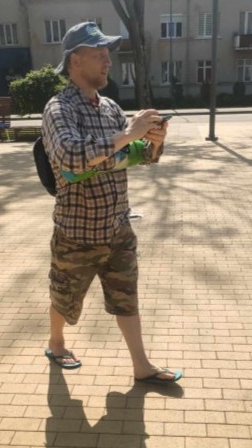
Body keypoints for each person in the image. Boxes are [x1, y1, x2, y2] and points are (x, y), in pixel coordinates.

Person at [42, 21, 181, 384]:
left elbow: (140, 156)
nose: (108, 61)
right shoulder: (59, 109)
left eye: (108, 54)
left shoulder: (109, 108)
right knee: (64, 297)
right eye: (99, 54)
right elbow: (71, 156)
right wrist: (128, 134)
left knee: (126, 298)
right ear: (75, 60)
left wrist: (153, 142)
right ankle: (56, 343)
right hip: (77, 232)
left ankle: (141, 365)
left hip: (118, 227)